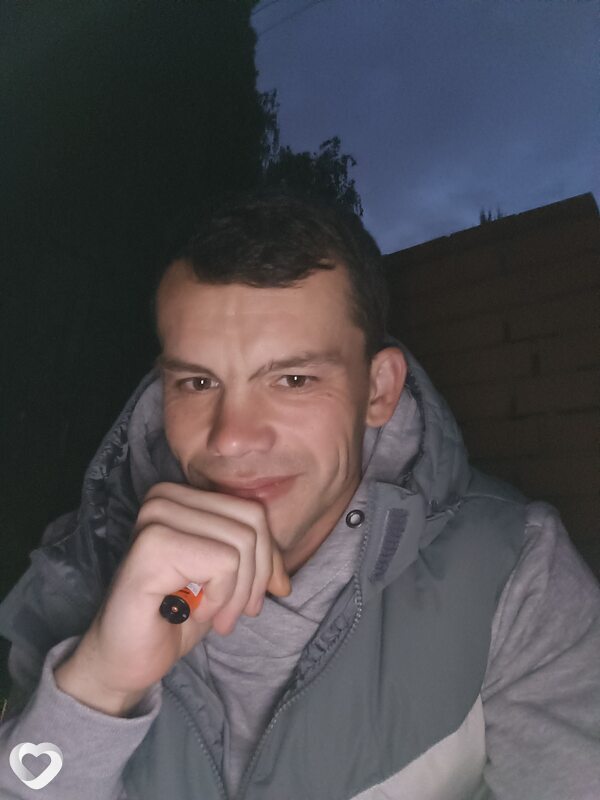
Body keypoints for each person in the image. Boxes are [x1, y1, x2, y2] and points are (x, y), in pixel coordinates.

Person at [0, 194, 598, 800]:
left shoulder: (513, 572)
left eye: (293, 379)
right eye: (199, 382)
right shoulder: (79, 566)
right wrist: (98, 686)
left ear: (378, 390)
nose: (232, 437)